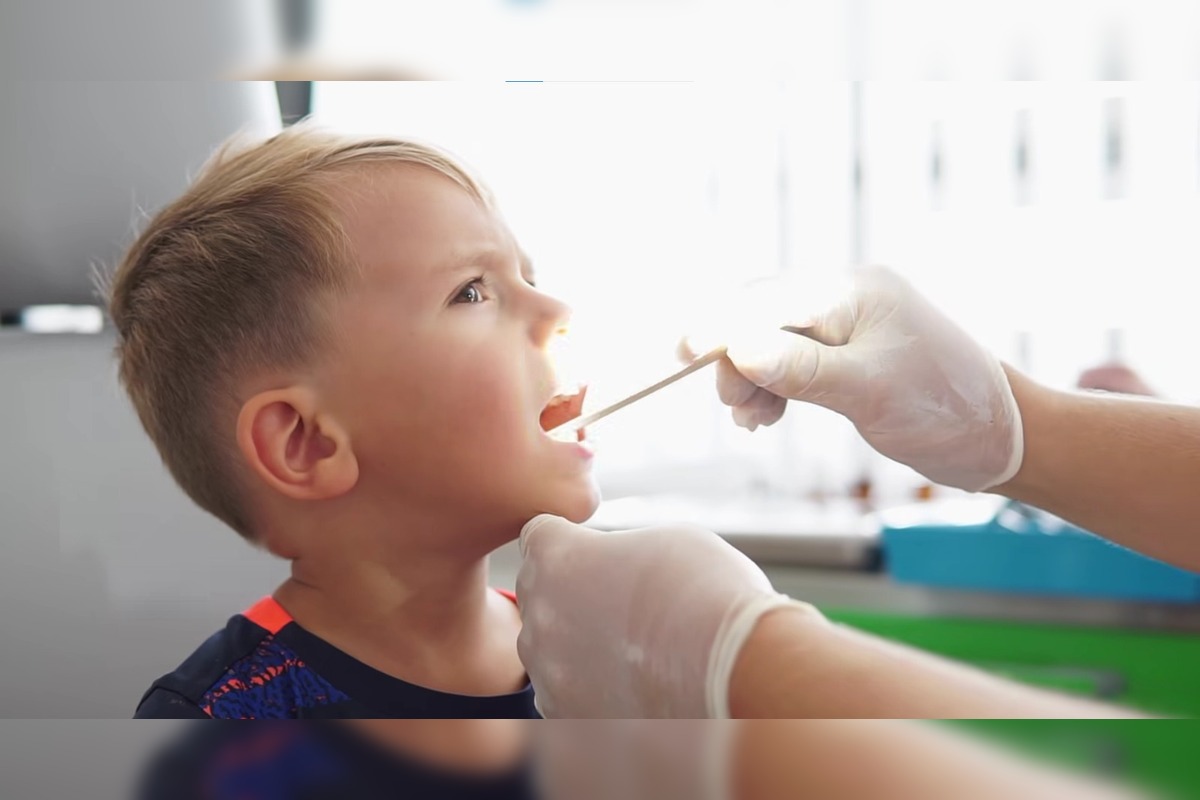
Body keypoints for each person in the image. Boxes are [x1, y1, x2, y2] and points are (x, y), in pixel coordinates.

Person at [108, 124, 598, 721]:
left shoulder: (598, 661)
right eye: (471, 292)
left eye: (530, 278)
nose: (558, 311)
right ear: (307, 443)